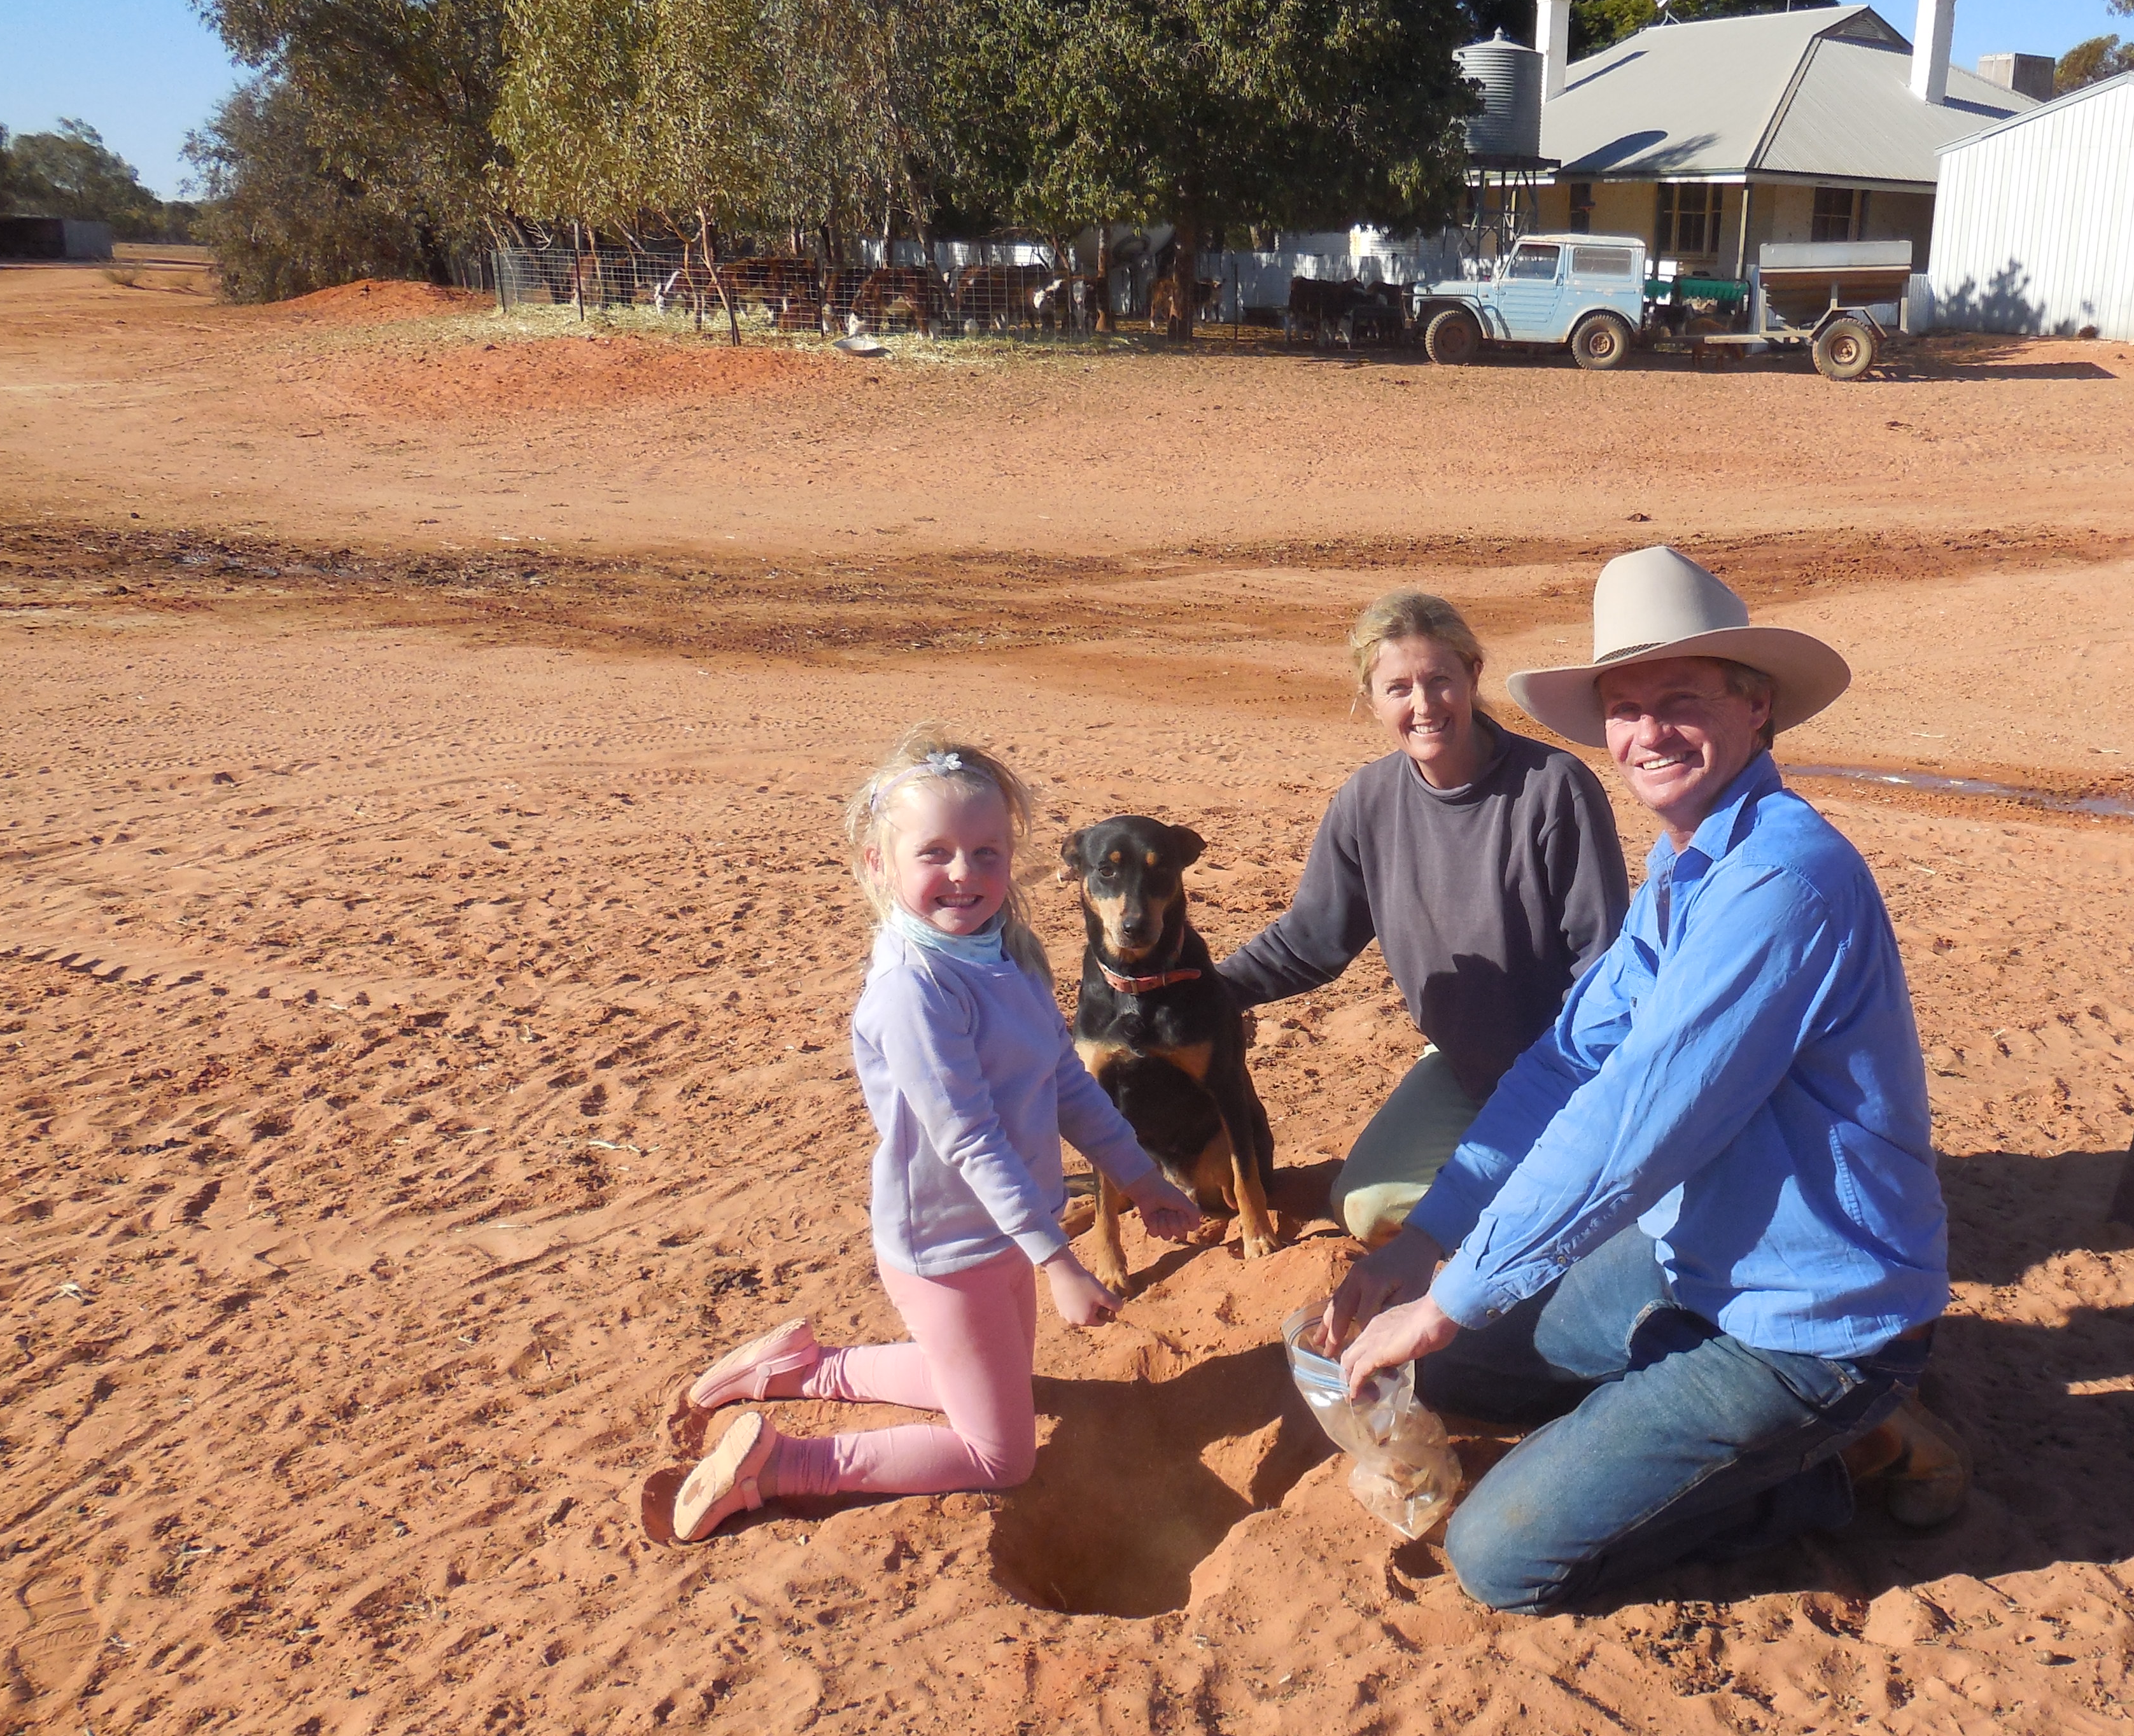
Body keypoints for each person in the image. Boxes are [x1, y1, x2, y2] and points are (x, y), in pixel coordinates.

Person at [1326, 547, 1967, 1613]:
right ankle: (1673, 1422)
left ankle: (1824, 1468)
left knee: (1499, 1558)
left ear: (1753, 707)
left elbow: (1631, 1129)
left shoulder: (1780, 883)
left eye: (1680, 700)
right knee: (1447, 1373)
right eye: (1624, 708)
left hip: (1806, 1323)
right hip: (1694, 1265)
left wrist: (1442, 1301)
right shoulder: (1688, 860)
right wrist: (1433, 1240)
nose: (1646, 733)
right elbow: (1567, 1063)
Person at [670, 729, 1202, 1543]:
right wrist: (1056, 1261)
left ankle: (807, 1367)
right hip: (948, 1243)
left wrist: (1141, 1178)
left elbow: (1064, 1080)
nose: (965, 874)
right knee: (1001, 1456)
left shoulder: (1006, 954)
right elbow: (969, 1139)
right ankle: (780, 1468)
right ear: (880, 865)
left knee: (991, 1376)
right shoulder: (915, 991)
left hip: (1004, 1229)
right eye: (936, 853)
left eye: (987, 852)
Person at [1216, 591, 1627, 1245]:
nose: (1425, 705)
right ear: (1370, 698)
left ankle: (1563, 1217)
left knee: (1501, 1201)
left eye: (1440, 680)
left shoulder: (1554, 786)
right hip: (1463, 1065)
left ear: (1473, 676)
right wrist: (1195, 990)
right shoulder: (1367, 802)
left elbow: (1600, 964)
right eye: (1399, 687)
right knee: (1368, 1206)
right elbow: (1310, 941)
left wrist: (1569, 1102)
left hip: (1564, 1072)